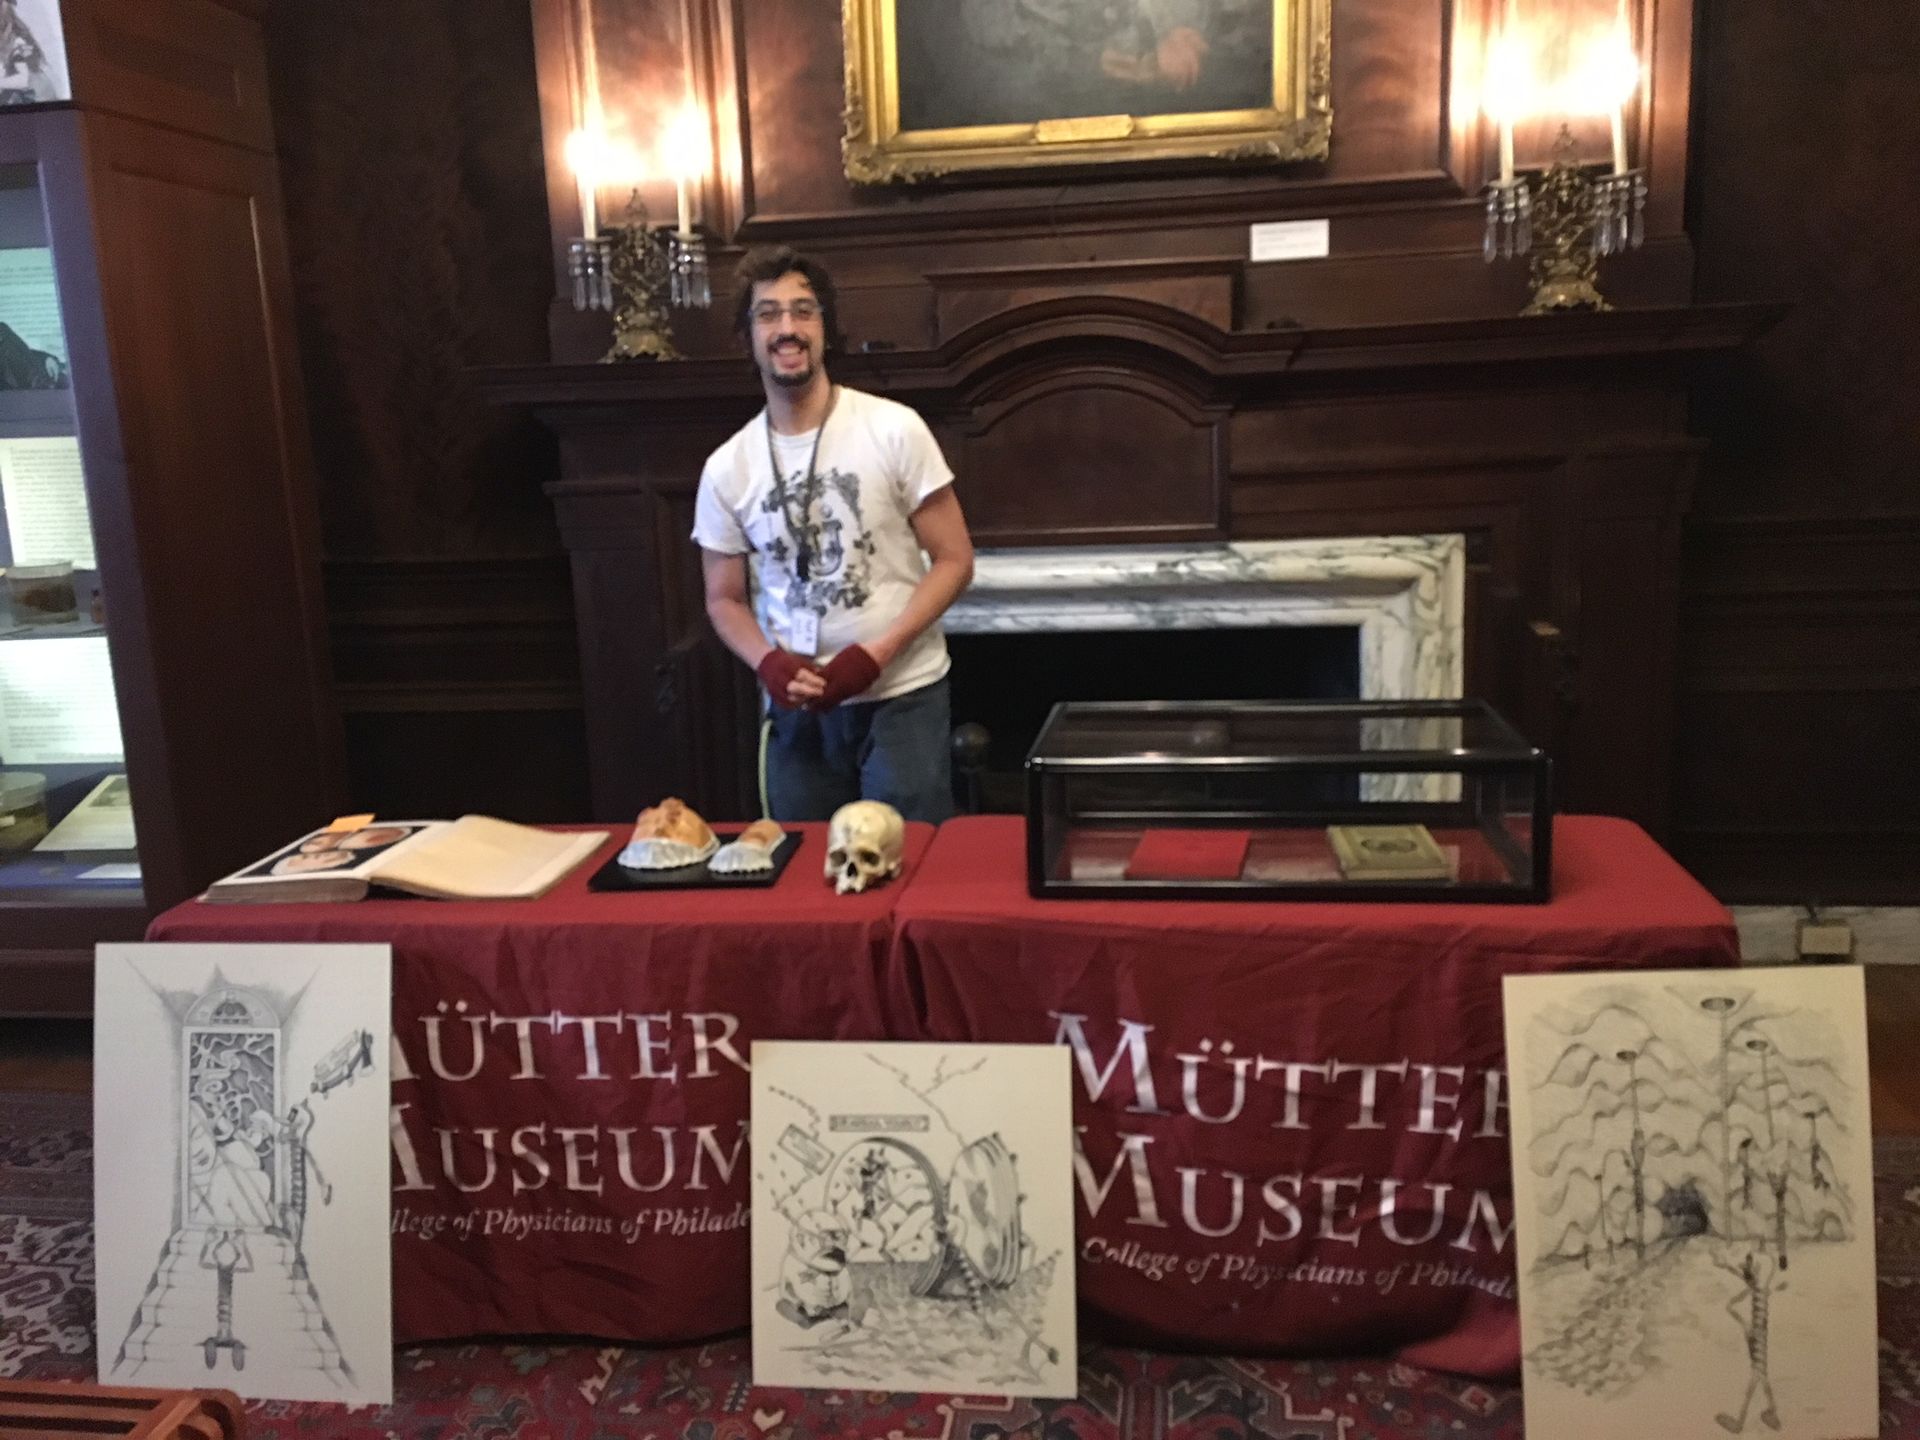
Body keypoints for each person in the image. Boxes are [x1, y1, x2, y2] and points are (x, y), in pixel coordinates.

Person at [693, 247, 974, 824]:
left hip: (902, 699)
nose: (787, 329)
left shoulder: (892, 428)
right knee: (805, 880)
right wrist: (766, 663)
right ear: (748, 335)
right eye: (768, 314)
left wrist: (874, 657)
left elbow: (954, 560)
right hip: (797, 715)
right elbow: (724, 599)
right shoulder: (727, 467)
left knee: (907, 865)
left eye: (803, 311)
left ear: (826, 327)